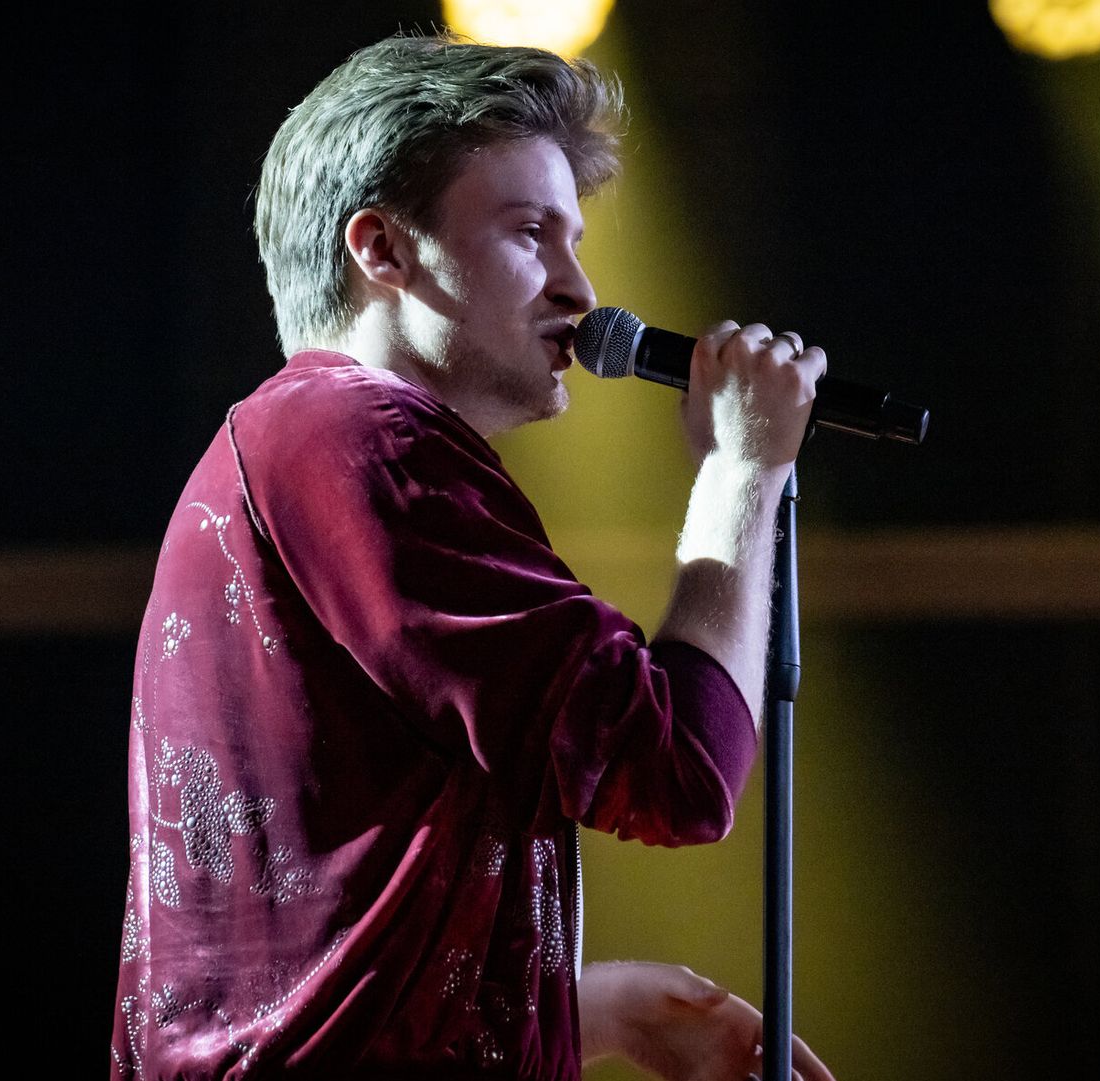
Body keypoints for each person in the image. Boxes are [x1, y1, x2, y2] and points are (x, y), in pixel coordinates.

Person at [112, 32, 832, 1081]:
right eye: (531, 232)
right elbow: (678, 765)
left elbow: (327, 926)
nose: (581, 289)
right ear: (382, 249)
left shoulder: (306, 443)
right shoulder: (365, 443)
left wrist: (612, 1009)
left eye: (574, 239)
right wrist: (742, 473)